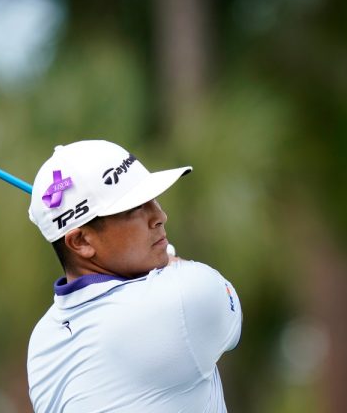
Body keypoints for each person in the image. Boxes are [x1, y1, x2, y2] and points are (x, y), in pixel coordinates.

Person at [26, 140, 242, 412]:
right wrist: (168, 260)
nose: (160, 215)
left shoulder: (42, 341)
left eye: (152, 199)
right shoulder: (183, 299)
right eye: (135, 208)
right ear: (81, 241)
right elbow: (228, 316)